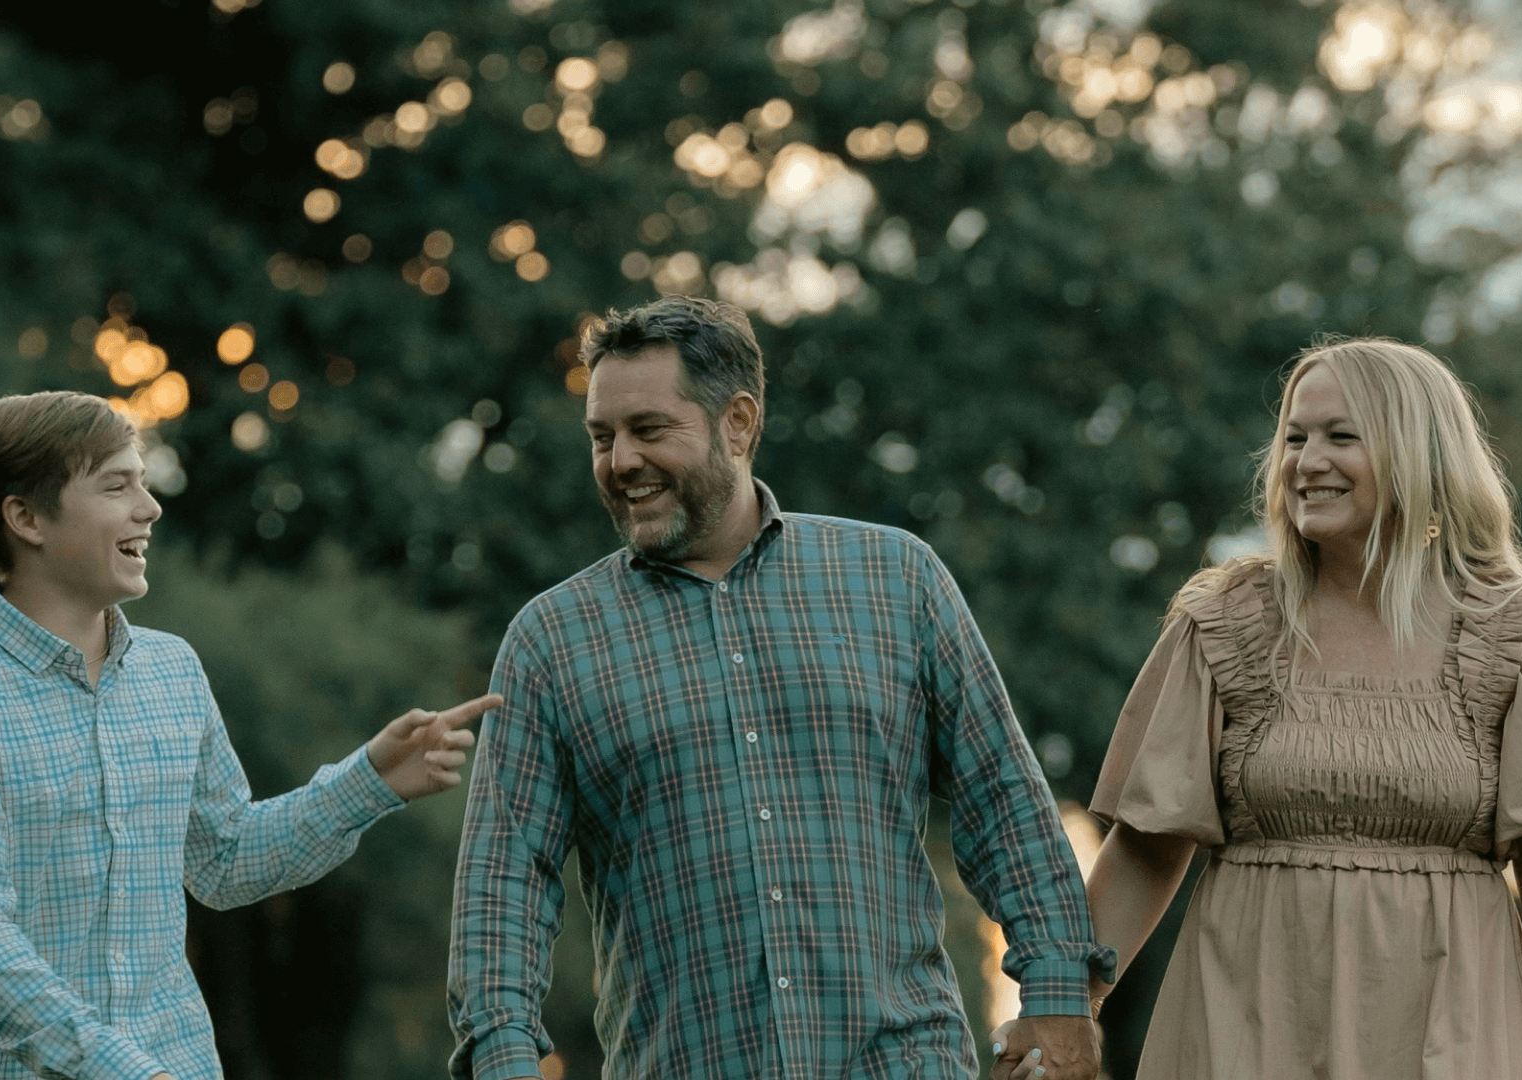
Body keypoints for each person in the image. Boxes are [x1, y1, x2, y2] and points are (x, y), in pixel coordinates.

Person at [447, 295, 1114, 1080]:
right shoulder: (552, 641)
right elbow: (503, 882)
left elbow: (1002, 799)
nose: (620, 460)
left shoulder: (897, 581)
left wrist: (1060, 995)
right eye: (602, 436)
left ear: (738, 423)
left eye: (648, 430)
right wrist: (502, 1056)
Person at [1066, 338, 1522, 1080]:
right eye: (1294, 437)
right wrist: (1066, 1006)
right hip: (1248, 1020)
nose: (1307, 461)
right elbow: (1148, 848)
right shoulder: (1224, 621)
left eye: (1342, 437)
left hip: (1456, 1025)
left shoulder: (1511, 630)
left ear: (1417, 453)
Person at [0, 391, 501, 1080]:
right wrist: (129, 1073)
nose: (148, 508)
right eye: (117, 485)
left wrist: (371, 781)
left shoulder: (172, 669)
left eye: (142, 482)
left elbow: (226, 860)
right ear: (25, 516)